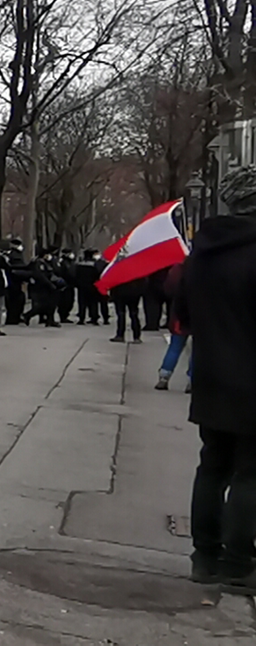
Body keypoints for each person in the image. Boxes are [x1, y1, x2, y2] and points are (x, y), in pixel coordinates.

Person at [175, 166, 256, 592]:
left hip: (210, 374)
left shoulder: (202, 253)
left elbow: (183, 315)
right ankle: (239, 562)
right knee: (250, 473)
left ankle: (205, 556)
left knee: (212, 466)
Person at [156, 262, 192, 393]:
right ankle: (192, 380)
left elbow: (168, 289)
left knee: (175, 346)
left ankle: (164, 377)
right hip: (201, 314)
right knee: (197, 350)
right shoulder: (208, 267)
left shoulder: (178, 269)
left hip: (179, 314)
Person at [108, 276, 146, 344]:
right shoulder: (137, 269)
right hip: (134, 292)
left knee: (121, 314)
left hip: (119, 292)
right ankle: (136, 336)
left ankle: (120, 335)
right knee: (134, 314)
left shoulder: (117, 268)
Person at [75, 249, 105, 325]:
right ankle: (94, 318)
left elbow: (76, 275)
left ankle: (81, 318)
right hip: (92, 286)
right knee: (93, 303)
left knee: (82, 303)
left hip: (82, 287)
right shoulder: (93, 265)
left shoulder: (80, 265)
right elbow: (97, 275)